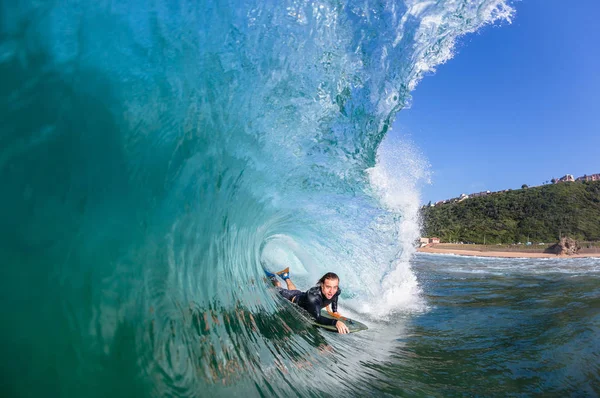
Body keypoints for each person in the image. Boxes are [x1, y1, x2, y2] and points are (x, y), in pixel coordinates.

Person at [265, 268, 350, 334]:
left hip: (301, 296)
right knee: (278, 288)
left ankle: (285, 276)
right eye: (328, 287)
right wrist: (335, 322)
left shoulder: (336, 290)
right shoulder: (313, 297)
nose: (332, 291)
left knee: (296, 291)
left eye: (335, 287)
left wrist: (334, 310)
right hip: (291, 298)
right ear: (322, 285)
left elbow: (335, 296)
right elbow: (316, 318)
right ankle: (273, 277)